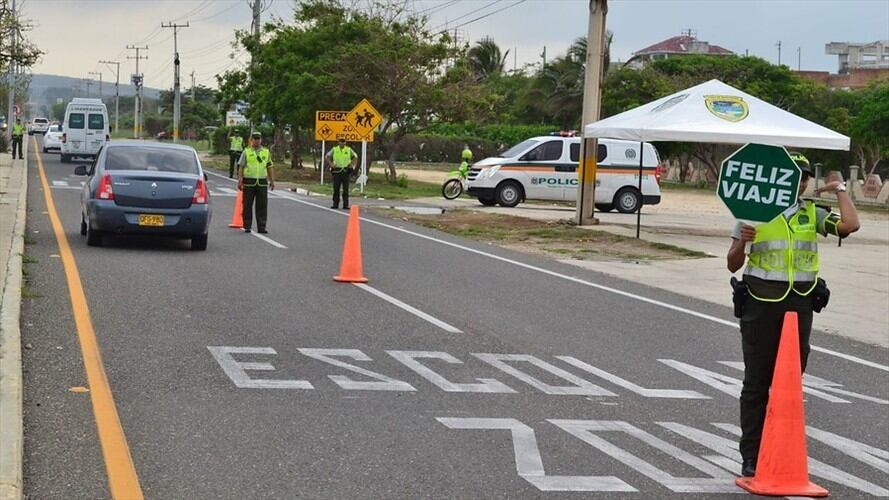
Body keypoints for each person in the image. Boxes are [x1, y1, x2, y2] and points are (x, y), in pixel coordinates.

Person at [726, 152, 860, 478]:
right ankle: (751, 455)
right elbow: (732, 263)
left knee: (789, 385)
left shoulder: (811, 212)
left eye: (802, 176)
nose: (798, 181)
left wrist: (840, 188)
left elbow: (850, 225)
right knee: (756, 383)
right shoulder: (751, 213)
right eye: (790, 175)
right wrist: (742, 243)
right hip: (760, 303)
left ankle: (781, 450)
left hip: (798, 307)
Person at [237, 132, 275, 234]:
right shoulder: (246, 152)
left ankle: (261, 227)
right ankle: (247, 226)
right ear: (251, 140)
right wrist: (240, 179)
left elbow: (269, 167)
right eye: (254, 138)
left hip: (262, 182)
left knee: (262, 206)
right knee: (247, 205)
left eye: (258, 138)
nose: (256, 140)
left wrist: (272, 181)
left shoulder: (266, 152)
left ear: (261, 140)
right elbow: (241, 166)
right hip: (249, 182)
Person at [325, 137, 358, 209]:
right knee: (336, 188)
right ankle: (335, 204)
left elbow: (355, 157)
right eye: (341, 141)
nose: (342, 143)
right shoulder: (334, 149)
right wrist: (331, 164)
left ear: (345, 142)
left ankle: (345, 205)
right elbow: (327, 156)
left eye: (343, 141)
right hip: (337, 171)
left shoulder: (348, 150)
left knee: (345, 189)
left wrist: (352, 165)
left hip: (345, 171)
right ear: (338, 142)